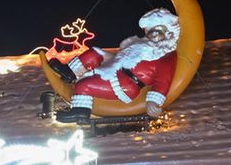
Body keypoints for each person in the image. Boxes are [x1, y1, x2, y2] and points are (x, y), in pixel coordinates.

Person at [47, 8, 180, 121]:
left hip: (126, 84)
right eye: (151, 32)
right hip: (117, 67)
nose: (154, 35)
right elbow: (121, 57)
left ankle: (80, 112)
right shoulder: (141, 46)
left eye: (158, 31)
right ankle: (69, 72)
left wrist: (154, 101)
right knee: (94, 53)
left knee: (84, 85)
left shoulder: (166, 55)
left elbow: (163, 82)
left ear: (168, 33)